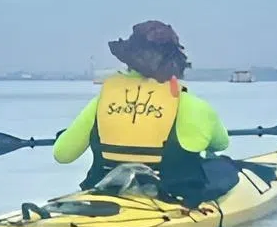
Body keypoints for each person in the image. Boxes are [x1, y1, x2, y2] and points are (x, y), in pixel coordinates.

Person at [52, 20, 235, 203]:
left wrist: (66, 136)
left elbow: (62, 155)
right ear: (174, 63)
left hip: (106, 192)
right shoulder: (194, 105)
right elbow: (221, 144)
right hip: (172, 195)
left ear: (129, 60)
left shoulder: (101, 102)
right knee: (223, 165)